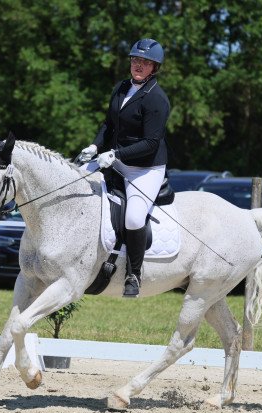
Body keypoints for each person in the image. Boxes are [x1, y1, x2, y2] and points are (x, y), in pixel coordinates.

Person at [79, 38, 171, 298]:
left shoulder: (157, 99)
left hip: (145, 169)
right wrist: (95, 147)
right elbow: (109, 124)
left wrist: (116, 154)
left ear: (154, 67)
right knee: (80, 182)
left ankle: (134, 274)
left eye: (144, 62)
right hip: (115, 160)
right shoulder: (121, 88)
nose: (138, 66)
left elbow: (151, 143)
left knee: (133, 217)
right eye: (135, 60)